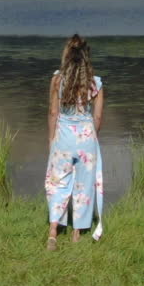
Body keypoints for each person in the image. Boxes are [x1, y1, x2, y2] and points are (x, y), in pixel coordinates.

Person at [44, 33, 105, 250]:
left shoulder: (57, 80)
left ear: (67, 55)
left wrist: (51, 139)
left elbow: (53, 112)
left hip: (63, 137)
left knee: (58, 182)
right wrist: (91, 136)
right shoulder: (95, 83)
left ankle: (53, 230)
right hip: (86, 139)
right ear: (86, 57)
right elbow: (97, 117)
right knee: (84, 186)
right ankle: (77, 233)